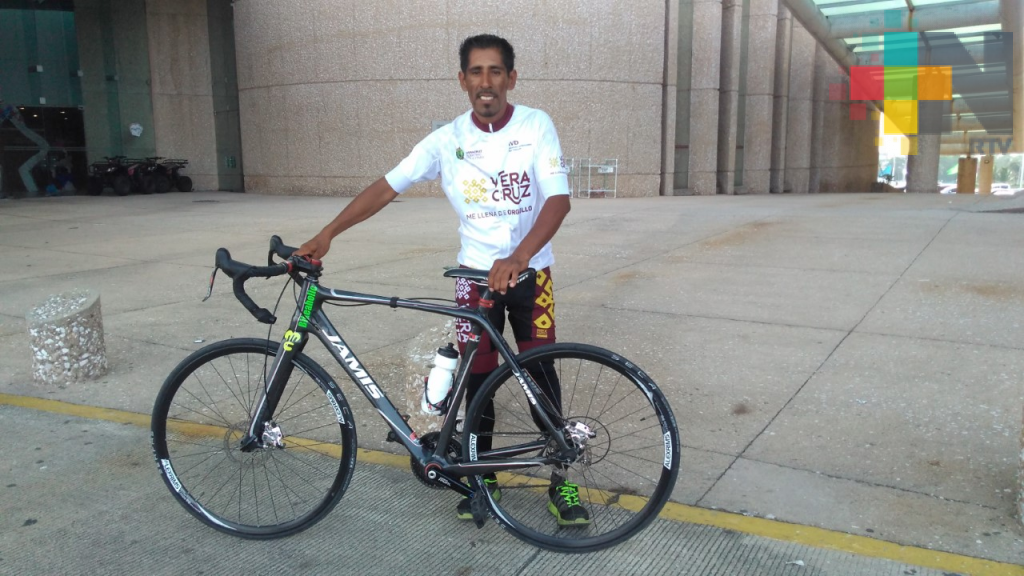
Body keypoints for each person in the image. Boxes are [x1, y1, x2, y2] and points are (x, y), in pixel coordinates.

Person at [296, 34, 588, 525]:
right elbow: (386, 187)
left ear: (511, 79)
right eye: (476, 71)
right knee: (479, 379)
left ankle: (562, 478)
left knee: (540, 373)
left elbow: (558, 200)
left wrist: (519, 257)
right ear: (462, 80)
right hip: (474, 279)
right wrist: (328, 233)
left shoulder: (536, 125)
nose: (486, 81)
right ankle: (482, 477)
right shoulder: (446, 140)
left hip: (531, 274)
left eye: (495, 71)